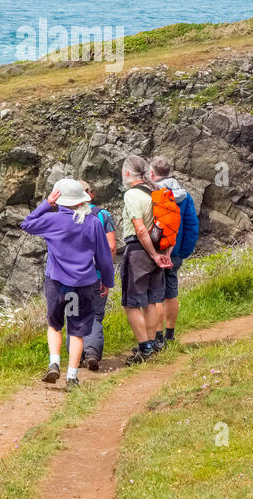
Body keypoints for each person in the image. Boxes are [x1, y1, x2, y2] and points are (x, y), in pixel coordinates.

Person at [21, 177, 115, 387]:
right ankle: (72, 376)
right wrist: (107, 281)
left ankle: (54, 363)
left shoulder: (52, 220)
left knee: (55, 325)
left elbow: (26, 224)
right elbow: (104, 257)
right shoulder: (93, 223)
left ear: (60, 199)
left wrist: (47, 204)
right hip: (84, 284)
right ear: (82, 199)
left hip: (56, 282)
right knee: (77, 328)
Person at [119, 155, 173, 363]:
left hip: (140, 251)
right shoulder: (156, 192)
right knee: (151, 300)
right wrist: (163, 255)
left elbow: (140, 229)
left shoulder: (132, 195)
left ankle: (145, 348)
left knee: (131, 303)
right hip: (159, 249)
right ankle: (151, 344)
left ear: (127, 173)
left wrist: (152, 255)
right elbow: (168, 226)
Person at [148, 156, 200, 345]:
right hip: (175, 253)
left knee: (156, 295)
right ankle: (170, 335)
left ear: (152, 173)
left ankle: (158, 337)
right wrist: (182, 251)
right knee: (171, 292)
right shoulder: (185, 196)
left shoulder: (152, 193)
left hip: (155, 252)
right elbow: (192, 226)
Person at [70, 181, 116, 371]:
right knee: (95, 315)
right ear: (90, 195)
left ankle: (76, 357)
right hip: (95, 275)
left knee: (73, 315)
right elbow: (111, 247)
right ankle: (92, 354)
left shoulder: (66, 216)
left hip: (71, 276)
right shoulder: (103, 215)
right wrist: (107, 274)